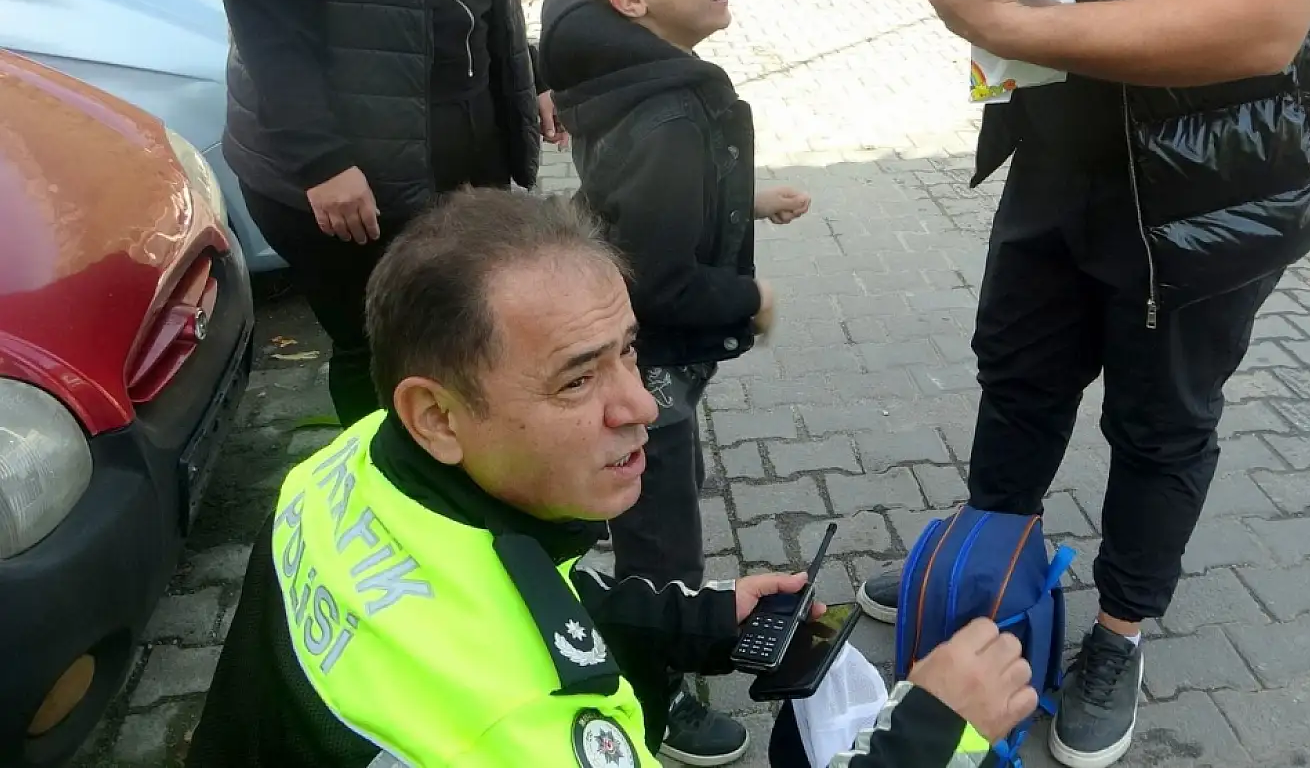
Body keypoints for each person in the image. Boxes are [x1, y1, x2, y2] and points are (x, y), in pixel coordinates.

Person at [858, 0, 1310, 765]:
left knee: (1160, 416)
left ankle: (1119, 630)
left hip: (1220, 164)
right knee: (1018, 364)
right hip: (1064, 113)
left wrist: (1007, 24)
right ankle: (988, 563)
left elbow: (1264, 18)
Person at [185, 188, 1038, 768]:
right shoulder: (529, 728)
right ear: (438, 416)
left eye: (628, 350)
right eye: (577, 378)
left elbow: (512, 595)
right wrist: (931, 730)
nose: (637, 404)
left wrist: (703, 619)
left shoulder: (349, 461)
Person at [531, 0, 811, 764]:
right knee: (661, 539)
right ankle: (659, 701)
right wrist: (751, 299)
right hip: (644, 379)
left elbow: (631, 202)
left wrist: (744, 202)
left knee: (654, 520)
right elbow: (655, 280)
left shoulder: (627, 72)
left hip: (632, 363)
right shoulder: (667, 114)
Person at [202, 0, 563, 425]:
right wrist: (322, 161)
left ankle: (467, 476)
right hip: (352, 180)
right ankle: (392, 499)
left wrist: (530, 74)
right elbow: (267, 26)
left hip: (461, 157)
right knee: (380, 353)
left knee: (462, 337)